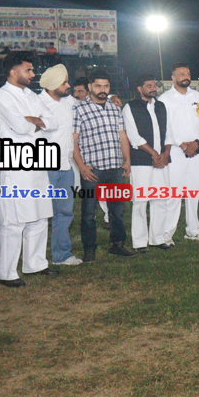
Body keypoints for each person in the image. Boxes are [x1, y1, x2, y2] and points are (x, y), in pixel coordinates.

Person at [0, 52, 60, 286]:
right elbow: (20, 126)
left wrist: (35, 121)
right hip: (15, 162)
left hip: (37, 159)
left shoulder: (31, 95)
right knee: (13, 220)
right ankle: (8, 273)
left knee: (40, 215)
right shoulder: (2, 96)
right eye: (28, 70)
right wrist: (38, 122)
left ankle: (35, 264)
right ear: (13, 71)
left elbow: (53, 122)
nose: (33, 74)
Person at [73, 69, 134, 260]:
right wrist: (82, 166)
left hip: (115, 167)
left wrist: (127, 160)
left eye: (106, 86)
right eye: (98, 86)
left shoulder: (115, 109)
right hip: (93, 169)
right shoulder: (78, 110)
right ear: (90, 86)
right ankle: (89, 250)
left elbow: (122, 136)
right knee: (88, 212)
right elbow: (73, 141)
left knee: (117, 210)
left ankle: (117, 244)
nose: (102, 90)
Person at [158, 63, 199, 240]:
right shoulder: (165, 98)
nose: (186, 77)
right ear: (173, 78)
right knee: (174, 192)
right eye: (181, 74)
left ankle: (193, 230)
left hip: (195, 150)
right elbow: (166, 126)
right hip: (176, 151)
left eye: (187, 73)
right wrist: (182, 144)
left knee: (193, 190)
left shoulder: (196, 95)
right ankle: (167, 233)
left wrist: (197, 142)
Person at [123, 75, 176, 250]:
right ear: (139, 89)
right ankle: (139, 242)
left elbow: (168, 132)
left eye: (154, 85)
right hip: (141, 161)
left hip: (161, 161)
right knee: (140, 201)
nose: (153, 88)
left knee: (160, 199)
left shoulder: (161, 106)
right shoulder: (131, 107)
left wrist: (165, 154)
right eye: (148, 86)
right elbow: (133, 136)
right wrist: (154, 153)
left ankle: (157, 239)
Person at [38, 64, 81, 266]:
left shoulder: (68, 101)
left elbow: (87, 104)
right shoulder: (37, 103)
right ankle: (33, 257)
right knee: (38, 213)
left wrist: (112, 99)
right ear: (53, 84)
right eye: (64, 83)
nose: (68, 86)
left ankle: (61, 255)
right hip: (45, 166)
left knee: (64, 212)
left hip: (66, 166)